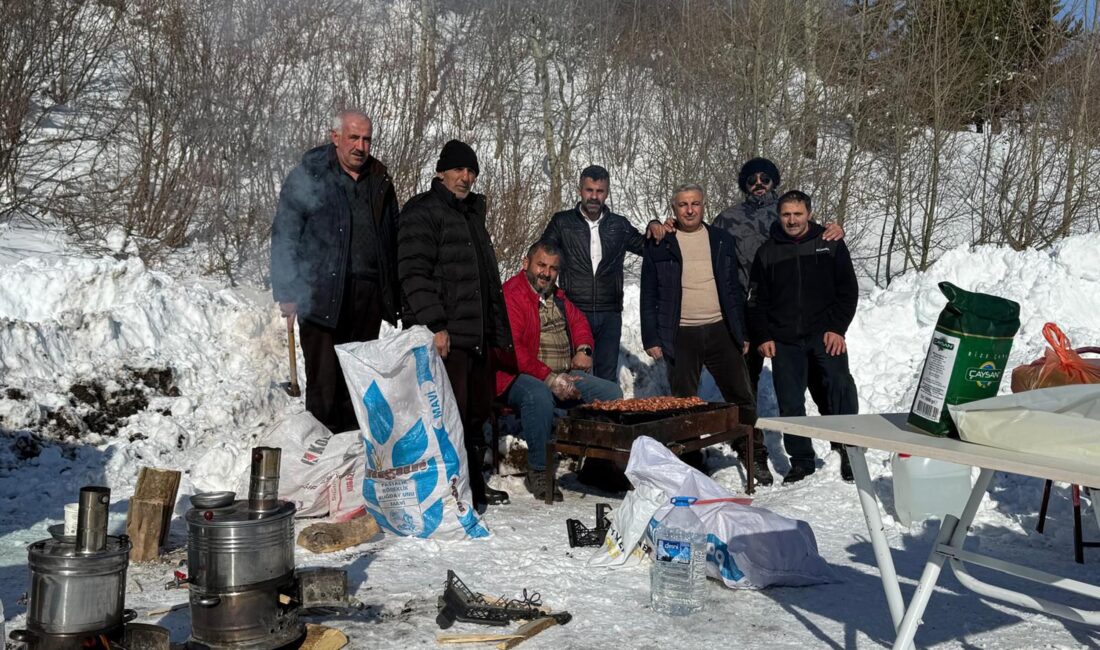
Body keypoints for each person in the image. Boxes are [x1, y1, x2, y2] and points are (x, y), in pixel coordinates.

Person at [712, 157, 845, 484]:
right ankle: (754, 451)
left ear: (774, 181)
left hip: (792, 313)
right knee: (747, 385)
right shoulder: (727, 220)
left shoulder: (787, 213)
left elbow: (819, 240)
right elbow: (704, 251)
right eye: (752, 178)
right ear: (744, 183)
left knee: (818, 379)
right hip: (747, 311)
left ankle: (841, 444)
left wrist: (835, 230)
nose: (758, 182)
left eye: (765, 177)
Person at [397, 139, 513, 512]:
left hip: (475, 335)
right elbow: (413, 273)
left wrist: (494, 328)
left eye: (471, 171)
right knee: (449, 416)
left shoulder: (470, 214)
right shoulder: (423, 212)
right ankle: (450, 491)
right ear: (441, 172)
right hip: (448, 336)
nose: (466, 177)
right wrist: (434, 324)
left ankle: (473, 484)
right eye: (459, 170)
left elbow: (483, 279)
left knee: (476, 412)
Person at [270, 110, 400, 434]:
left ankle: (350, 465)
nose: (360, 146)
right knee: (325, 387)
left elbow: (392, 237)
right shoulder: (310, 175)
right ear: (335, 137)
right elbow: (285, 232)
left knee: (356, 384)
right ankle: (320, 464)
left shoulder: (380, 180)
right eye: (353, 137)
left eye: (366, 139)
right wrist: (286, 289)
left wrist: (394, 295)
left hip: (366, 298)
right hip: (321, 295)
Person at [641, 183, 757, 479]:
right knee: (684, 403)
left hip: (720, 328)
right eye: (683, 205)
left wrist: (740, 331)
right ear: (674, 209)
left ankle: (753, 452)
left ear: (703, 206)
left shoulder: (720, 239)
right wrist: (651, 337)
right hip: (681, 333)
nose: (689, 210)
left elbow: (732, 288)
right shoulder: (661, 242)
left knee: (741, 395)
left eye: (695, 203)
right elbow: (648, 293)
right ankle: (691, 460)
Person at [496, 240, 624, 501]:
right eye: (541, 265)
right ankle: (539, 470)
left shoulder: (558, 296)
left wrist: (584, 349)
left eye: (553, 268)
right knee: (538, 396)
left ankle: (598, 466)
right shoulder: (512, 294)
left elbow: (579, 322)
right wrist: (550, 378)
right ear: (526, 264)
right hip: (518, 376)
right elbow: (513, 350)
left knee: (611, 392)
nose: (546, 272)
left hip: (561, 374)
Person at [747, 190, 859, 484]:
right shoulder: (767, 252)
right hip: (784, 340)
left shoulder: (830, 243)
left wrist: (837, 328)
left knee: (839, 388)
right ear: (779, 216)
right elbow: (756, 300)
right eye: (786, 214)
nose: (792, 220)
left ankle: (849, 451)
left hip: (825, 335)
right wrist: (763, 335)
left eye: (798, 214)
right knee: (790, 401)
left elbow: (848, 290)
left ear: (808, 213)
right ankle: (801, 460)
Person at [540, 165, 668, 383]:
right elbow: (542, 253)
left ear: (606, 193)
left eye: (599, 191)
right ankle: (578, 418)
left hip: (610, 314)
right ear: (580, 190)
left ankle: (603, 418)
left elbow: (648, 247)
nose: (594, 196)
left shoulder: (619, 225)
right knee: (577, 377)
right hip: (574, 310)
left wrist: (654, 225)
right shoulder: (562, 222)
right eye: (589, 190)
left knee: (607, 378)